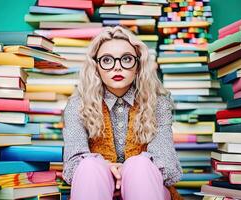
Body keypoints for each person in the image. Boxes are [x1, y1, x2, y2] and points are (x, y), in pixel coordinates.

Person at [62, 26, 183, 200]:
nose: (117, 67)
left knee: (140, 165)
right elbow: (72, 166)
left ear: (138, 65)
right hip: (96, 186)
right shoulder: (77, 105)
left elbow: (168, 166)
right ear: (96, 67)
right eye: (107, 60)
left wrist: (128, 173)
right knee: (88, 166)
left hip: (147, 186)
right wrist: (107, 170)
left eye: (126, 59)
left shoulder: (158, 104)